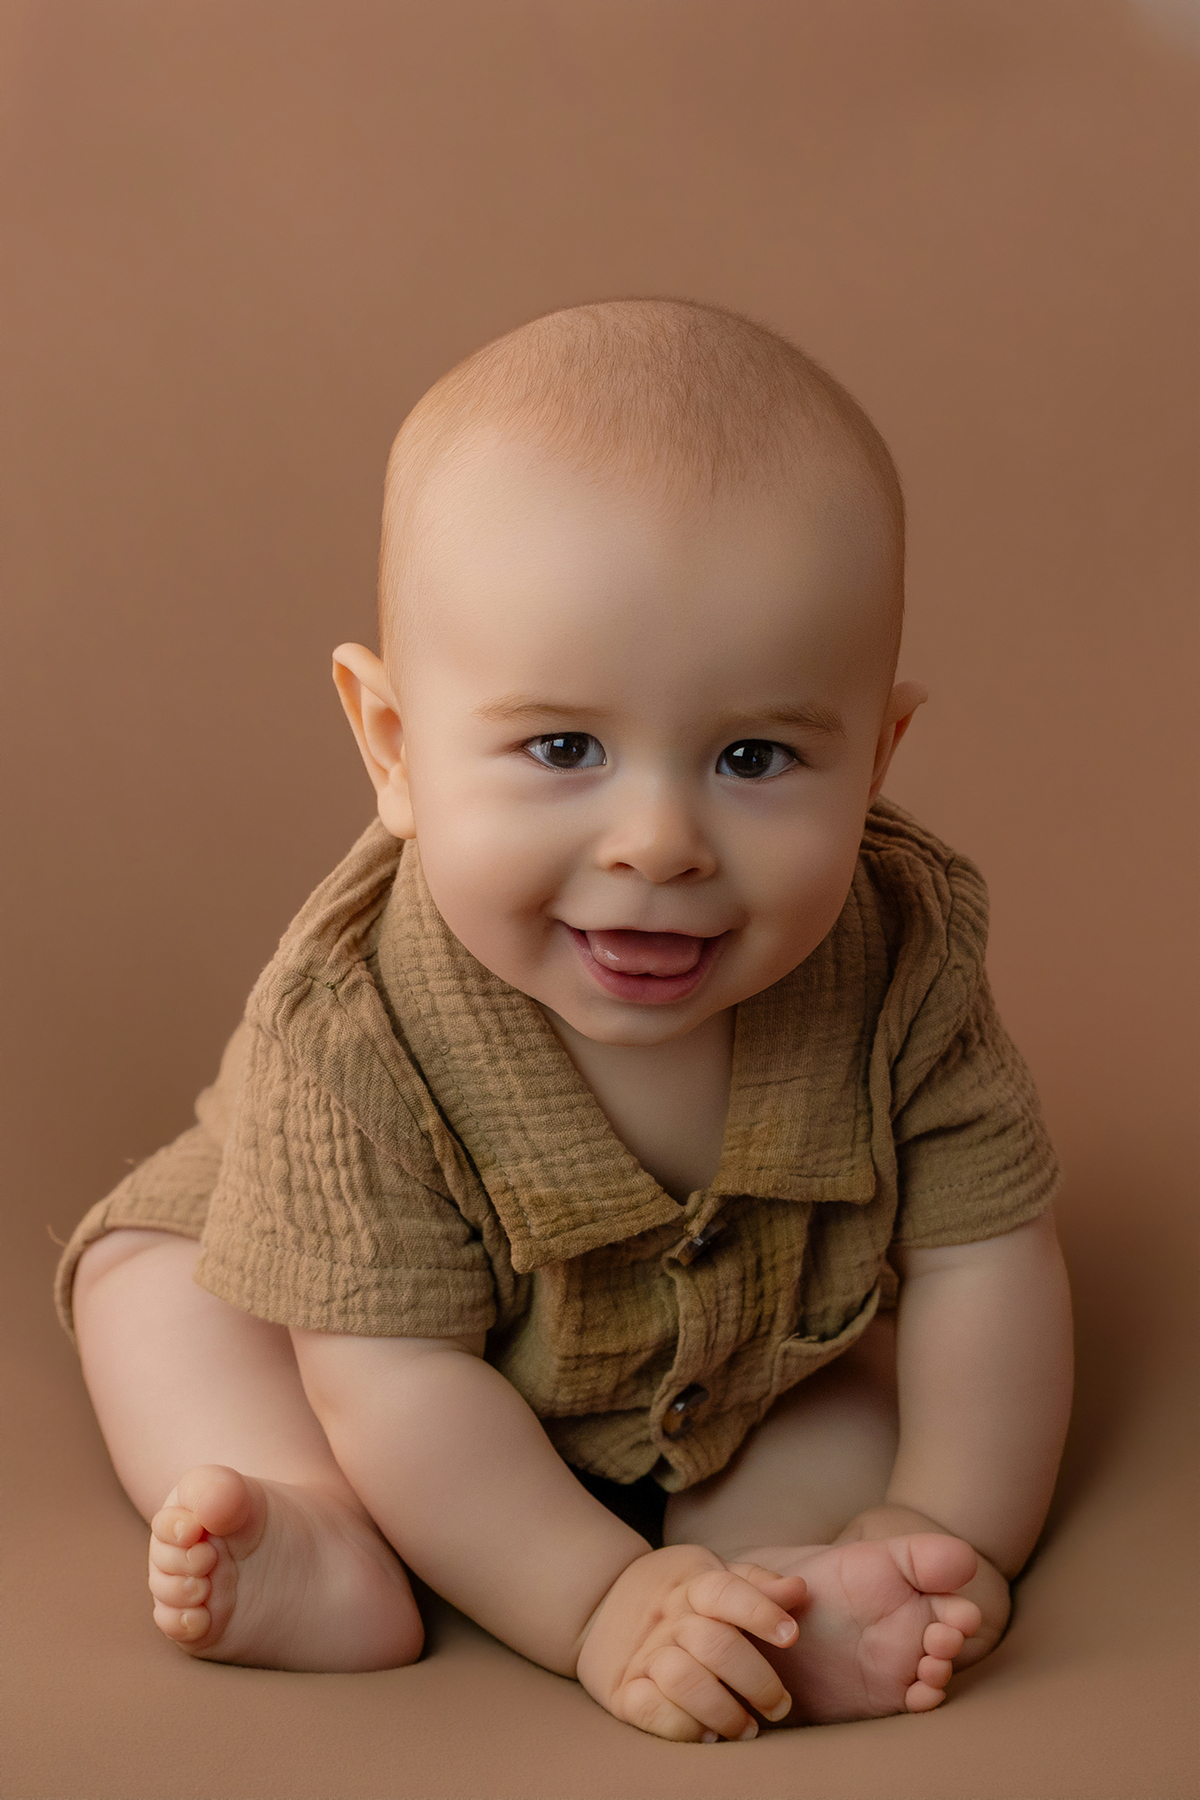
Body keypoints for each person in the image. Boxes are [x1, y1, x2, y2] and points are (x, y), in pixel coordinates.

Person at [57, 298, 1073, 1743]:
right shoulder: (352, 1021)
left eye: (754, 754)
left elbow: (990, 1262)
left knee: (851, 1403)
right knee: (152, 1294)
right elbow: (391, 1375)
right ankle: (334, 1539)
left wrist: (953, 1523)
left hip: (735, 1354)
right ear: (394, 750)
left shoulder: (906, 959)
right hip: (369, 1354)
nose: (658, 841)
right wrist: (593, 1605)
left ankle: (788, 1590)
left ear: (878, 756)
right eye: (562, 747)